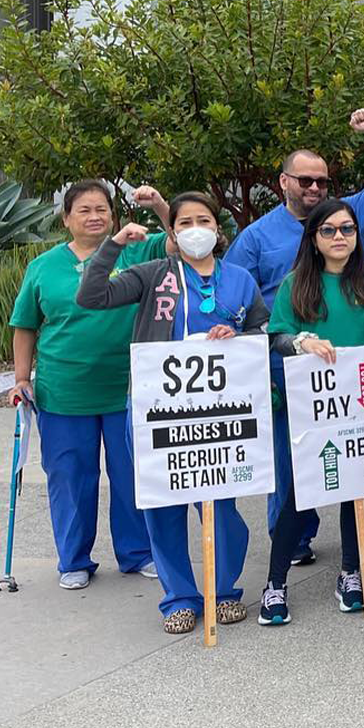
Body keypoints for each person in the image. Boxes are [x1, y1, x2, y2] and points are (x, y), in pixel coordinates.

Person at [224, 107, 364, 566]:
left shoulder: (349, 214)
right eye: (304, 180)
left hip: (359, 376)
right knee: (295, 471)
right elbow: (236, 296)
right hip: (294, 374)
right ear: (283, 181)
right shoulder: (256, 237)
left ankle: (362, 533)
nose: (313, 189)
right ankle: (294, 542)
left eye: (321, 182)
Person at [76, 192, 266, 633]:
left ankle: (224, 591)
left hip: (219, 414)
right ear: (173, 233)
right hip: (156, 410)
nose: (195, 229)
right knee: (163, 502)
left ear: (218, 231)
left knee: (220, 503)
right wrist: (114, 244)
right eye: (184, 223)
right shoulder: (152, 275)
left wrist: (235, 333)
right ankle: (178, 595)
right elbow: (92, 296)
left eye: (204, 220)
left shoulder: (238, 279)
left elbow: (260, 326)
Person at [259, 198, 364, 625]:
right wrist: (302, 342)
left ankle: (351, 571)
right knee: (299, 495)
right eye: (329, 230)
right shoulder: (297, 283)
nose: (339, 238)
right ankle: (275, 583)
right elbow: (277, 335)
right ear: (313, 238)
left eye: (347, 229)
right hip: (315, 405)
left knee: (357, 490)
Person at [8, 180, 159, 590]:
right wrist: (22, 378)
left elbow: (179, 241)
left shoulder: (134, 249)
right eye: (84, 210)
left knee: (132, 476)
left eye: (102, 209)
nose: (95, 217)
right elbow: (25, 326)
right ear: (66, 219)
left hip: (128, 388)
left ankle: (138, 553)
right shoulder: (43, 267)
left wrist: (160, 204)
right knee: (71, 477)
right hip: (65, 389)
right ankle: (73, 559)